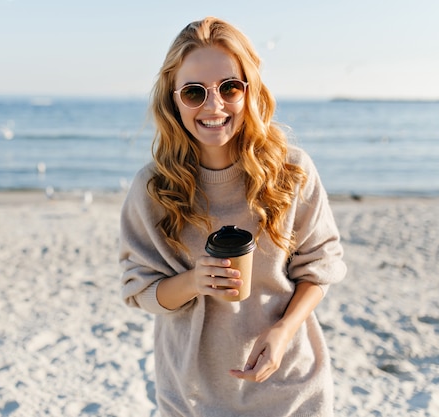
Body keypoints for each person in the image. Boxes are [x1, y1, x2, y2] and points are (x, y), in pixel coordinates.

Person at [119, 17, 347, 416]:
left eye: (229, 87)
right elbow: (139, 291)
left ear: (249, 89)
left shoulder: (291, 171)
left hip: (291, 388)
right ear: (173, 99)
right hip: (192, 395)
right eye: (193, 92)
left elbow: (321, 266)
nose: (214, 106)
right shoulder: (153, 188)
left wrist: (282, 331)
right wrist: (194, 280)